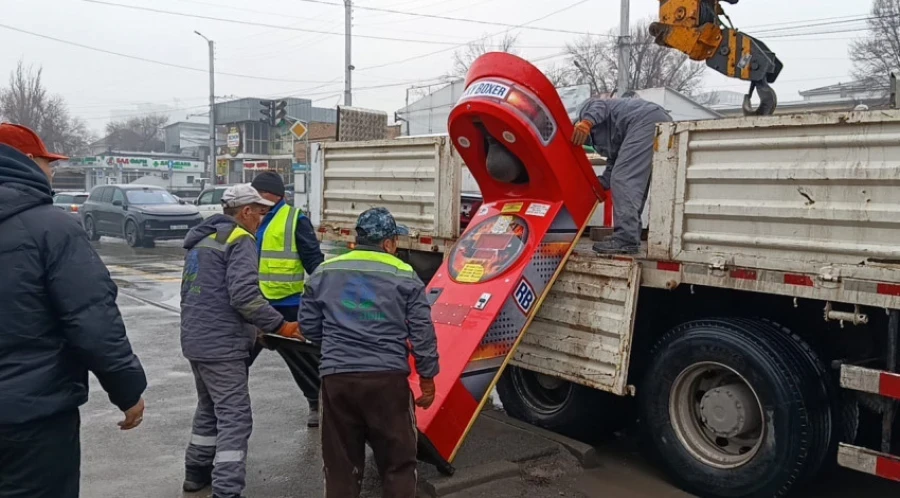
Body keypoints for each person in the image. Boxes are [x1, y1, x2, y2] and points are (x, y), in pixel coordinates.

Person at [0, 123, 147, 498]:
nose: (52, 171)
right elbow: (92, 320)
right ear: (27, 161)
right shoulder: (50, 228)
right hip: (30, 418)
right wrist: (127, 390)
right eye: (48, 162)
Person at [299, 207, 439, 498]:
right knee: (398, 464)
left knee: (341, 467)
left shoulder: (324, 272)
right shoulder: (404, 274)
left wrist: (341, 346)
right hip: (387, 381)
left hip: (337, 380)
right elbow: (422, 332)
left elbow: (309, 328)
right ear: (388, 243)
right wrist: (427, 378)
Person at [180, 183, 302, 498]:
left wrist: (252, 328)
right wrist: (281, 326)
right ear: (245, 212)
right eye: (259, 213)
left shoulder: (204, 240)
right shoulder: (240, 240)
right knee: (234, 416)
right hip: (222, 345)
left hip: (196, 339)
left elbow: (202, 293)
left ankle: (196, 472)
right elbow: (244, 296)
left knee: (209, 408)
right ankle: (227, 490)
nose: (261, 220)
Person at [250, 171, 325, 427]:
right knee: (238, 357)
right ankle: (224, 402)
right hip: (254, 303)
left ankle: (316, 402)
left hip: (287, 304)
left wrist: (326, 293)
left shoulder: (294, 219)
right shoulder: (251, 217)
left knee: (300, 360)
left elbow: (313, 261)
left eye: (257, 193)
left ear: (270, 194)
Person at [571, 96, 673, 254]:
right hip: (650, 120)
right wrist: (596, 186)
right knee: (630, 180)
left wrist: (586, 122)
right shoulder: (604, 140)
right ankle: (628, 236)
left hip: (643, 120)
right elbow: (615, 164)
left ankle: (626, 239)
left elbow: (600, 104)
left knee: (624, 179)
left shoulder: (587, 113)